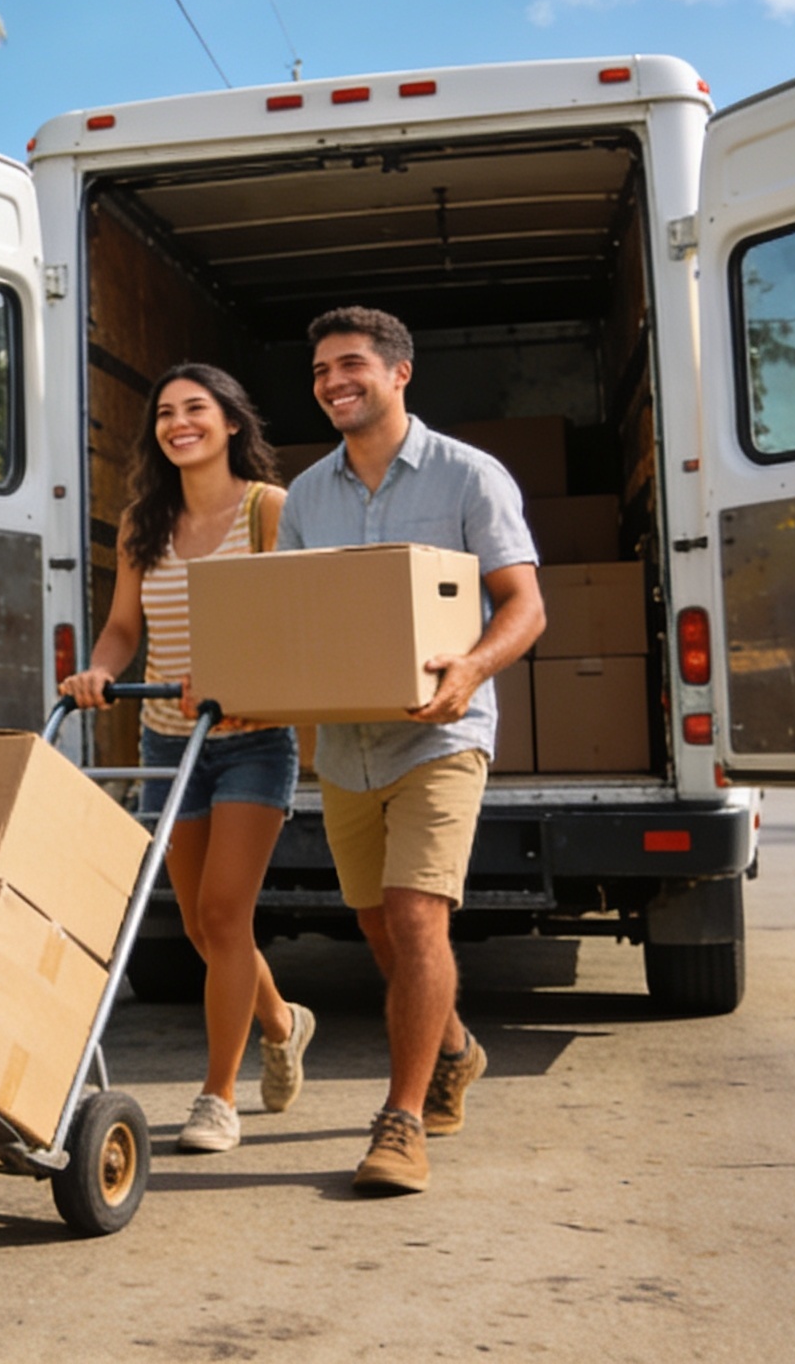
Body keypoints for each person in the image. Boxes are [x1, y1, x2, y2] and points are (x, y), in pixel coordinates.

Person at [278, 306, 545, 1196]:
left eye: (350, 364)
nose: (332, 381)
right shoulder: (308, 493)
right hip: (346, 746)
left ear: (399, 373)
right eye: (320, 370)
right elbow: (293, 617)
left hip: (441, 734)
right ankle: (458, 1047)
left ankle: (400, 1121)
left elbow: (524, 605)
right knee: (375, 924)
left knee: (416, 915)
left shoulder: (471, 476)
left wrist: (470, 667)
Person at [61, 362, 313, 1155]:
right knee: (204, 928)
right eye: (166, 413)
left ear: (232, 422)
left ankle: (218, 1097)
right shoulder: (145, 519)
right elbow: (124, 627)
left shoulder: (269, 509)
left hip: (251, 738)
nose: (179, 424)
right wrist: (102, 669)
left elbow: (294, 618)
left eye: (195, 409)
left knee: (221, 913)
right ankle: (281, 1020)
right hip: (169, 737)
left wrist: (241, 675)